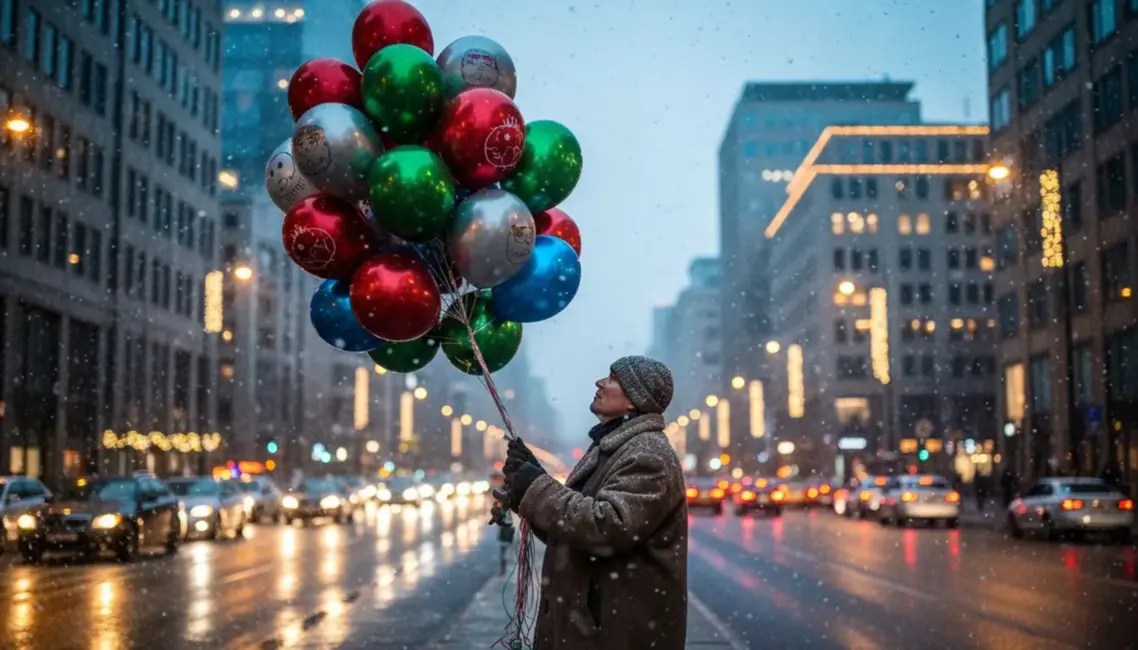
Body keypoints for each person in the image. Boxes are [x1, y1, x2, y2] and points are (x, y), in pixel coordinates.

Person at [497, 356, 687, 650]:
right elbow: (572, 533)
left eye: (612, 378)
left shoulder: (647, 453)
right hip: (594, 628)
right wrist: (527, 491)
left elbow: (606, 527)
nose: (600, 383)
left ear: (633, 400)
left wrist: (537, 487)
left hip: (613, 633)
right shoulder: (614, 448)